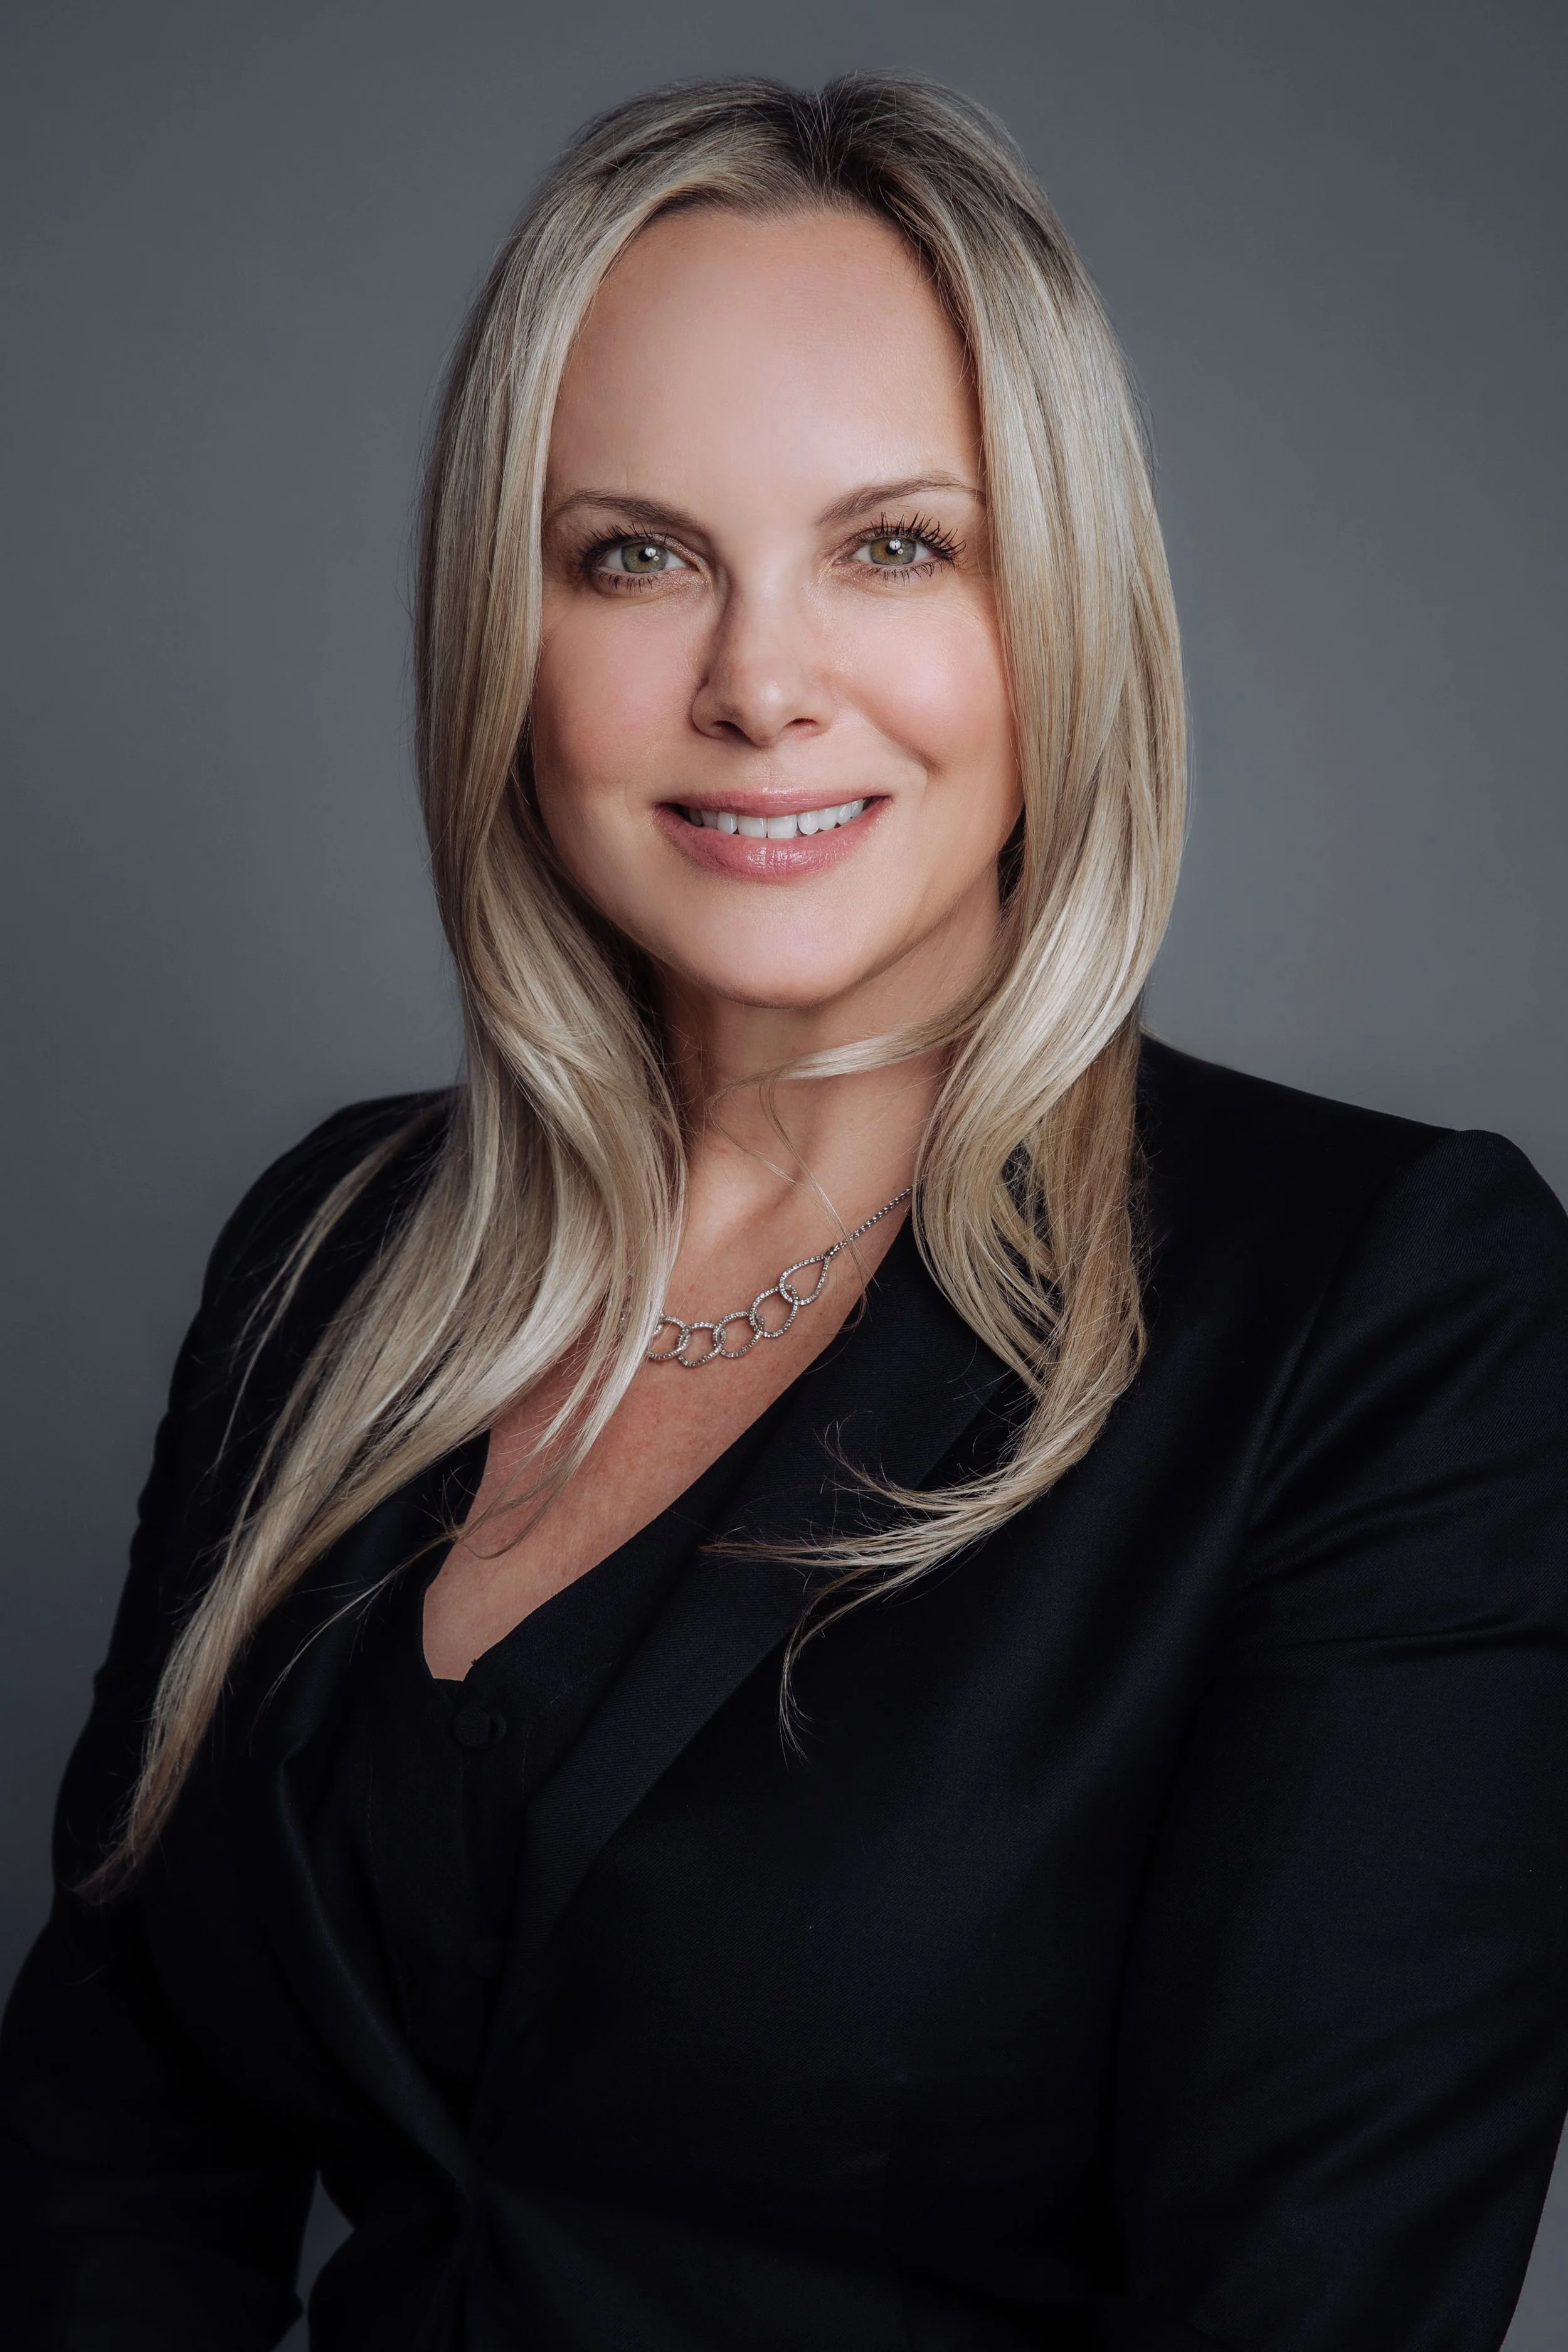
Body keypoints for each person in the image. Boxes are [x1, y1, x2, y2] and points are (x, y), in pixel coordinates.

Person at [3, 72, 1566, 2352]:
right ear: (501, 635)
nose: (756, 681)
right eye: (634, 553)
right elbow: (103, 2157)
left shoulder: (1381, 1312)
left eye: (896, 545)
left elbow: (1312, 2293)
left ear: (1060, 620)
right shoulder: (333, 1259)